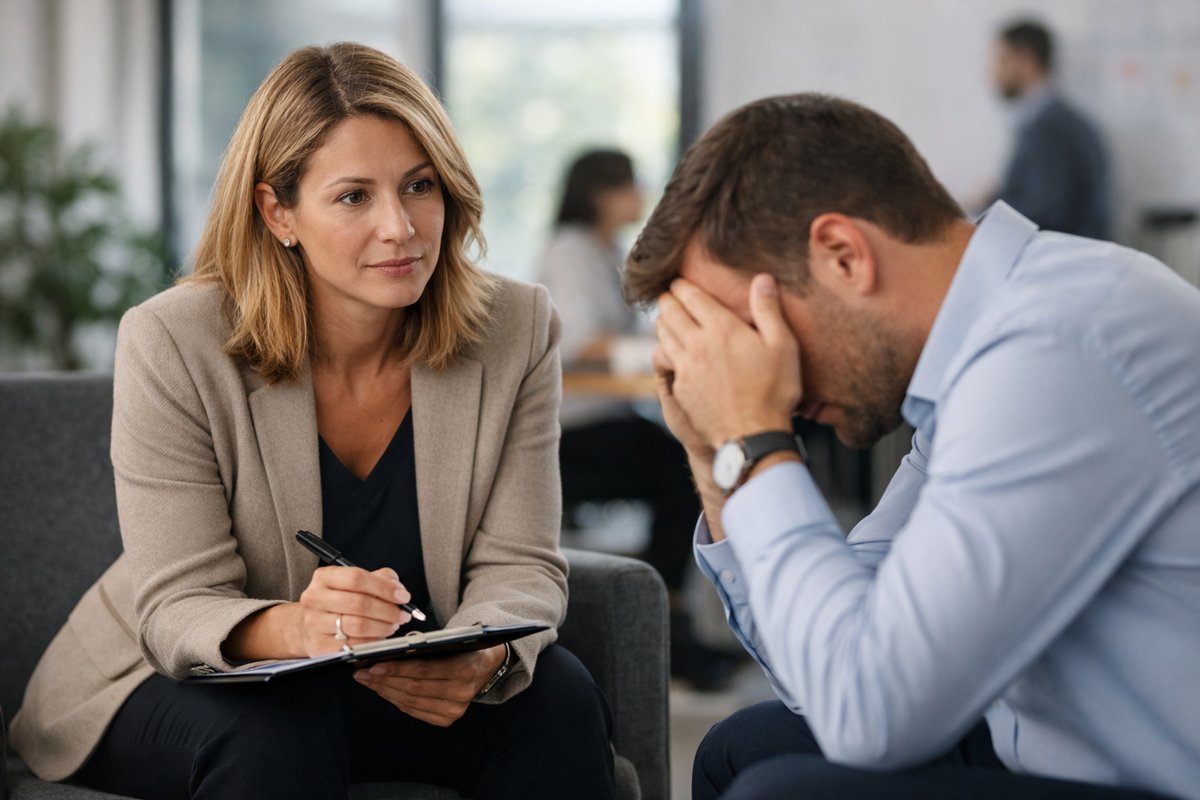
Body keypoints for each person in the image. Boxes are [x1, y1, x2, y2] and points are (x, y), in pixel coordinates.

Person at [10, 43, 615, 800]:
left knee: (558, 700)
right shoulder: (174, 340)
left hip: (403, 677)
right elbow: (176, 606)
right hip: (184, 678)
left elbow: (522, 561)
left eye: (419, 186)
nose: (400, 227)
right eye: (354, 196)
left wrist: (483, 658)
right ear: (278, 211)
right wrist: (303, 630)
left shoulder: (516, 326)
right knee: (277, 729)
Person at [623, 93, 1200, 799]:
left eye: (750, 329)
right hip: (1049, 754)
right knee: (743, 747)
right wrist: (717, 458)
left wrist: (751, 436)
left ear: (843, 256)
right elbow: (826, 672)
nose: (754, 364)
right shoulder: (970, 365)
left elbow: (871, 713)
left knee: (785, 795)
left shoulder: (1058, 343)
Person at [535, 148, 734, 691]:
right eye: (630, 186)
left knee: (688, 459)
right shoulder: (572, 249)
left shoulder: (602, 250)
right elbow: (578, 340)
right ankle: (667, 619)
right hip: (572, 430)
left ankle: (674, 617)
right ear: (601, 193)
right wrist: (649, 348)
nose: (641, 197)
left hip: (606, 416)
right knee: (684, 468)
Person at [991, 18, 1111, 239]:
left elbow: (1043, 214)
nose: (994, 72)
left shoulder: (1050, 128)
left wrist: (987, 213)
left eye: (1002, 60)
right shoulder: (1050, 119)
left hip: (1066, 262)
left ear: (1024, 59)